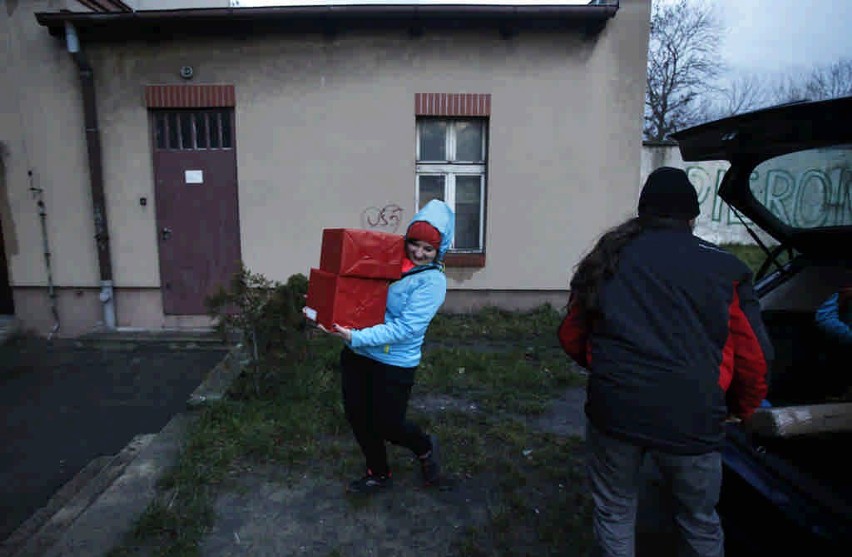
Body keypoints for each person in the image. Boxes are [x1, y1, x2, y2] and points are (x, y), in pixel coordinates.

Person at [558, 167, 773, 557]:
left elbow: (571, 336)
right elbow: (755, 356)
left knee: (615, 510)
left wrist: (609, 370)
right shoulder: (726, 269)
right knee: (698, 520)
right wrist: (744, 409)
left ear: (643, 213)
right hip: (692, 418)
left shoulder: (608, 259)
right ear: (692, 217)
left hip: (615, 410)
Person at [310, 199, 454, 495]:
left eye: (429, 249)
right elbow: (355, 292)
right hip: (358, 355)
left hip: (394, 362)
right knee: (358, 417)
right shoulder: (386, 263)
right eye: (415, 244)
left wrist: (355, 336)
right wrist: (325, 307)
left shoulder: (432, 282)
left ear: (439, 252)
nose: (419, 253)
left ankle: (425, 447)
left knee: (388, 424)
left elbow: (406, 329)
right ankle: (378, 471)